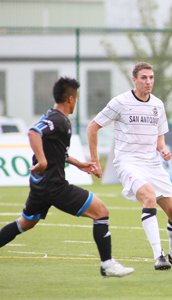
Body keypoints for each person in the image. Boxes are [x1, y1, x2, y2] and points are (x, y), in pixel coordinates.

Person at [0, 77, 134, 277]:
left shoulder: (55, 117)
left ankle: (107, 264)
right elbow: (33, 132)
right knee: (101, 212)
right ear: (71, 99)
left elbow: (56, 150)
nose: (76, 103)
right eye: (77, 98)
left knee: (24, 223)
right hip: (54, 186)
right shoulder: (58, 120)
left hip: (40, 186)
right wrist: (43, 162)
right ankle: (107, 265)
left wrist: (78, 163)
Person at [87, 62, 172, 271]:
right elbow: (92, 127)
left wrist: (163, 150)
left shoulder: (157, 104)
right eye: (144, 78)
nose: (148, 81)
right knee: (149, 198)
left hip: (153, 164)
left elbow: (160, 138)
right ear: (135, 80)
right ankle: (158, 256)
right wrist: (95, 161)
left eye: (151, 77)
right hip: (128, 162)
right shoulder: (120, 102)